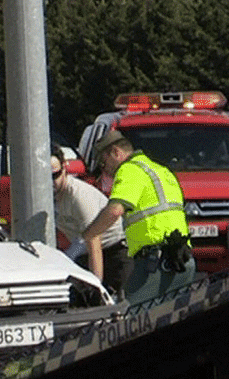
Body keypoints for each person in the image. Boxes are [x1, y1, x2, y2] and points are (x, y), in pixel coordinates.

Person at [82, 130, 196, 305]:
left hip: (154, 263)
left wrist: (88, 234)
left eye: (104, 163)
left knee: (134, 320)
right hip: (182, 259)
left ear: (116, 152)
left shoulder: (129, 170)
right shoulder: (161, 170)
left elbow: (115, 210)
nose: (105, 170)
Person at [51, 144, 131, 296]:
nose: (50, 182)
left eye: (54, 175)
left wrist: (96, 286)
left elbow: (94, 239)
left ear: (65, 168)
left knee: (106, 304)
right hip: (84, 252)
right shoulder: (43, 196)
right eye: (44, 177)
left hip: (114, 252)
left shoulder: (78, 196)